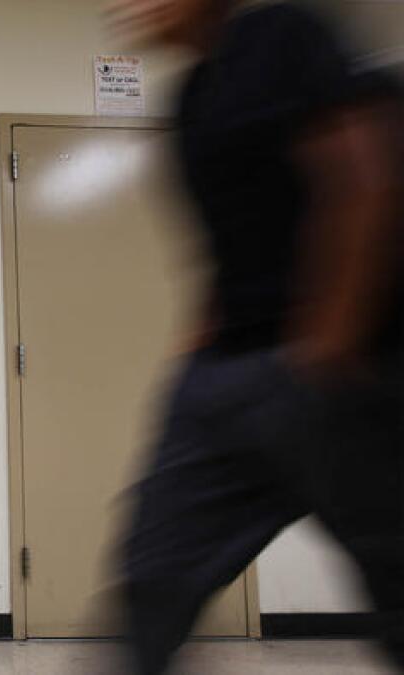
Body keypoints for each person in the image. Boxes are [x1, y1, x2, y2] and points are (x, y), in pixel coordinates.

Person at [107, 1, 404, 673]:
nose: (130, 6)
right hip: (226, 384)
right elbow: (228, 248)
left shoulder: (284, 38)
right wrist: (197, 356)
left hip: (343, 374)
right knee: (154, 574)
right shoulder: (188, 99)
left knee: (395, 578)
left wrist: (328, 349)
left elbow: (362, 180)